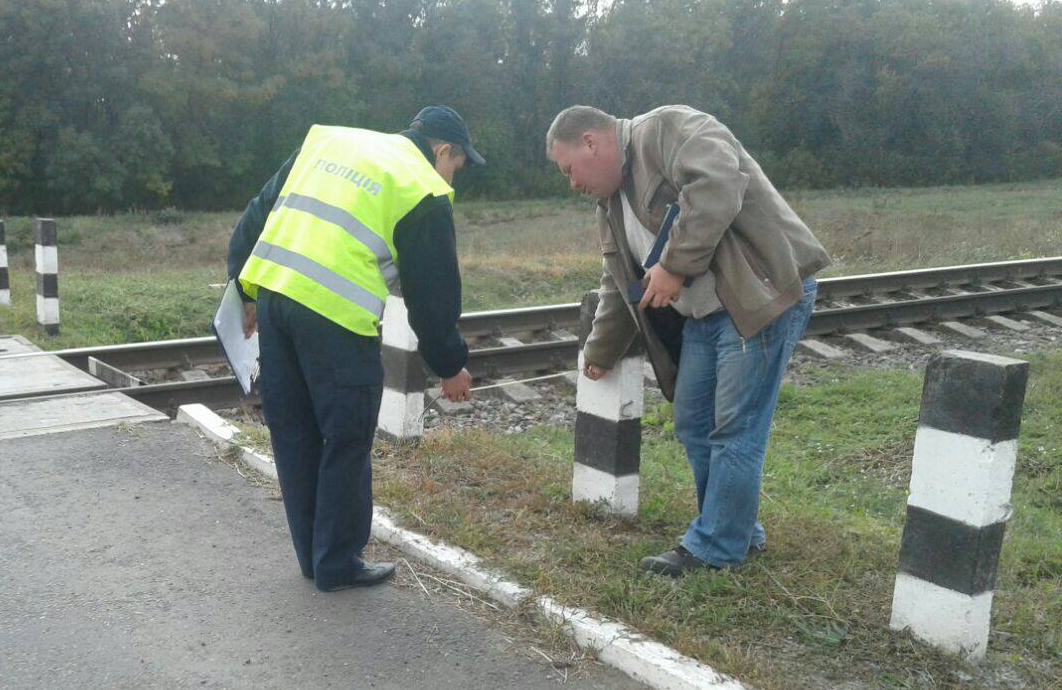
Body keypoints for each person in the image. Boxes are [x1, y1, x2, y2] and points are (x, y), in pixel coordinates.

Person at [545, 104, 831, 577]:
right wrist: (599, 351)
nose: (571, 184)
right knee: (694, 421)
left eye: (569, 169)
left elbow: (719, 183)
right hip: (705, 314)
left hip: (757, 296)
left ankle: (714, 548)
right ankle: (736, 530)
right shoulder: (611, 204)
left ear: (591, 143)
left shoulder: (667, 129)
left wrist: (675, 265)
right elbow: (621, 282)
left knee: (735, 429)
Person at [226, 107, 483, 591]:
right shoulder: (420, 187)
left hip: (278, 301)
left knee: (294, 433)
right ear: (442, 149)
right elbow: (434, 296)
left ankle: (313, 557)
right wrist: (450, 366)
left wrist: (243, 288)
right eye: (457, 166)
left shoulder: (329, 141)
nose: (453, 179)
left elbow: (258, 211)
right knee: (345, 436)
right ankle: (338, 562)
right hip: (336, 316)